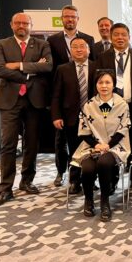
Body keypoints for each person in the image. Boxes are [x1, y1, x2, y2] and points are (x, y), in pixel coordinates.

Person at [0, 13, 53, 207]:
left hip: (34, 100)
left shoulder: (42, 44)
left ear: (31, 25)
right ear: (11, 25)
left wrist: (18, 65)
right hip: (9, 100)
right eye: (18, 22)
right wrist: (28, 74)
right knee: (7, 145)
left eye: (25, 23)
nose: (21, 26)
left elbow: (48, 66)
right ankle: (5, 189)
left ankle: (27, 181)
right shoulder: (1, 45)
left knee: (31, 143)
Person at [95, 22, 132, 191]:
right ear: (111, 37)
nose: (120, 38)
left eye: (123, 34)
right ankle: (113, 179)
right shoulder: (103, 57)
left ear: (129, 37)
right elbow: (98, 82)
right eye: (116, 34)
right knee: (112, 142)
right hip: (110, 108)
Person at [72, 70, 131, 222]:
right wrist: (97, 145)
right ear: (96, 85)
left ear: (113, 85)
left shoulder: (122, 104)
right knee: (87, 168)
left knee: (104, 163)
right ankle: (89, 200)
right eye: (100, 83)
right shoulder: (89, 105)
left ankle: (105, 202)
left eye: (107, 82)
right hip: (92, 146)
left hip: (115, 146)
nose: (104, 86)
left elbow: (123, 129)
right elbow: (84, 131)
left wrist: (108, 145)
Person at [51, 37, 96, 192]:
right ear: (70, 51)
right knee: (74, 150)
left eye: (82, 46)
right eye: (75, 47)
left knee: (93, 150)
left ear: (88, 50)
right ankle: (75, 181)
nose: (79, 49)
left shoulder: (96, 67)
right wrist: (56, 116)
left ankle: (91, 180)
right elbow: (56, 95)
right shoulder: (62, 69)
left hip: (93, 117)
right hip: (71, 117)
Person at [47, 5, 95, 72]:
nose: (70, 19)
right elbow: (51, 64)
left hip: (84, 76)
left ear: (78, 19)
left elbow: (92, 62)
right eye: (66, 16)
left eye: (73, 17)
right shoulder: (52, 40)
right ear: (61, 18)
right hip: (61, 77)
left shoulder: (89, 39)